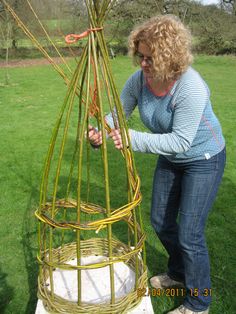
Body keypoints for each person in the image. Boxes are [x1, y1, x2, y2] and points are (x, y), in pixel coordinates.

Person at [88, 15, 226, 314]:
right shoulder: (139, 80)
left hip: (203, 159)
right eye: (140, 56)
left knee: (190, 234)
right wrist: (101, 130)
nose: (143, 64)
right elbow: (118, 114)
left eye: (150, 58)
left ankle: (199, 303)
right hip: (171, 158)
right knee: (161, 222)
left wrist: (131, 138)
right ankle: (178, 273)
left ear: (170, 57)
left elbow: (181, 142)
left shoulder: (191, 87)